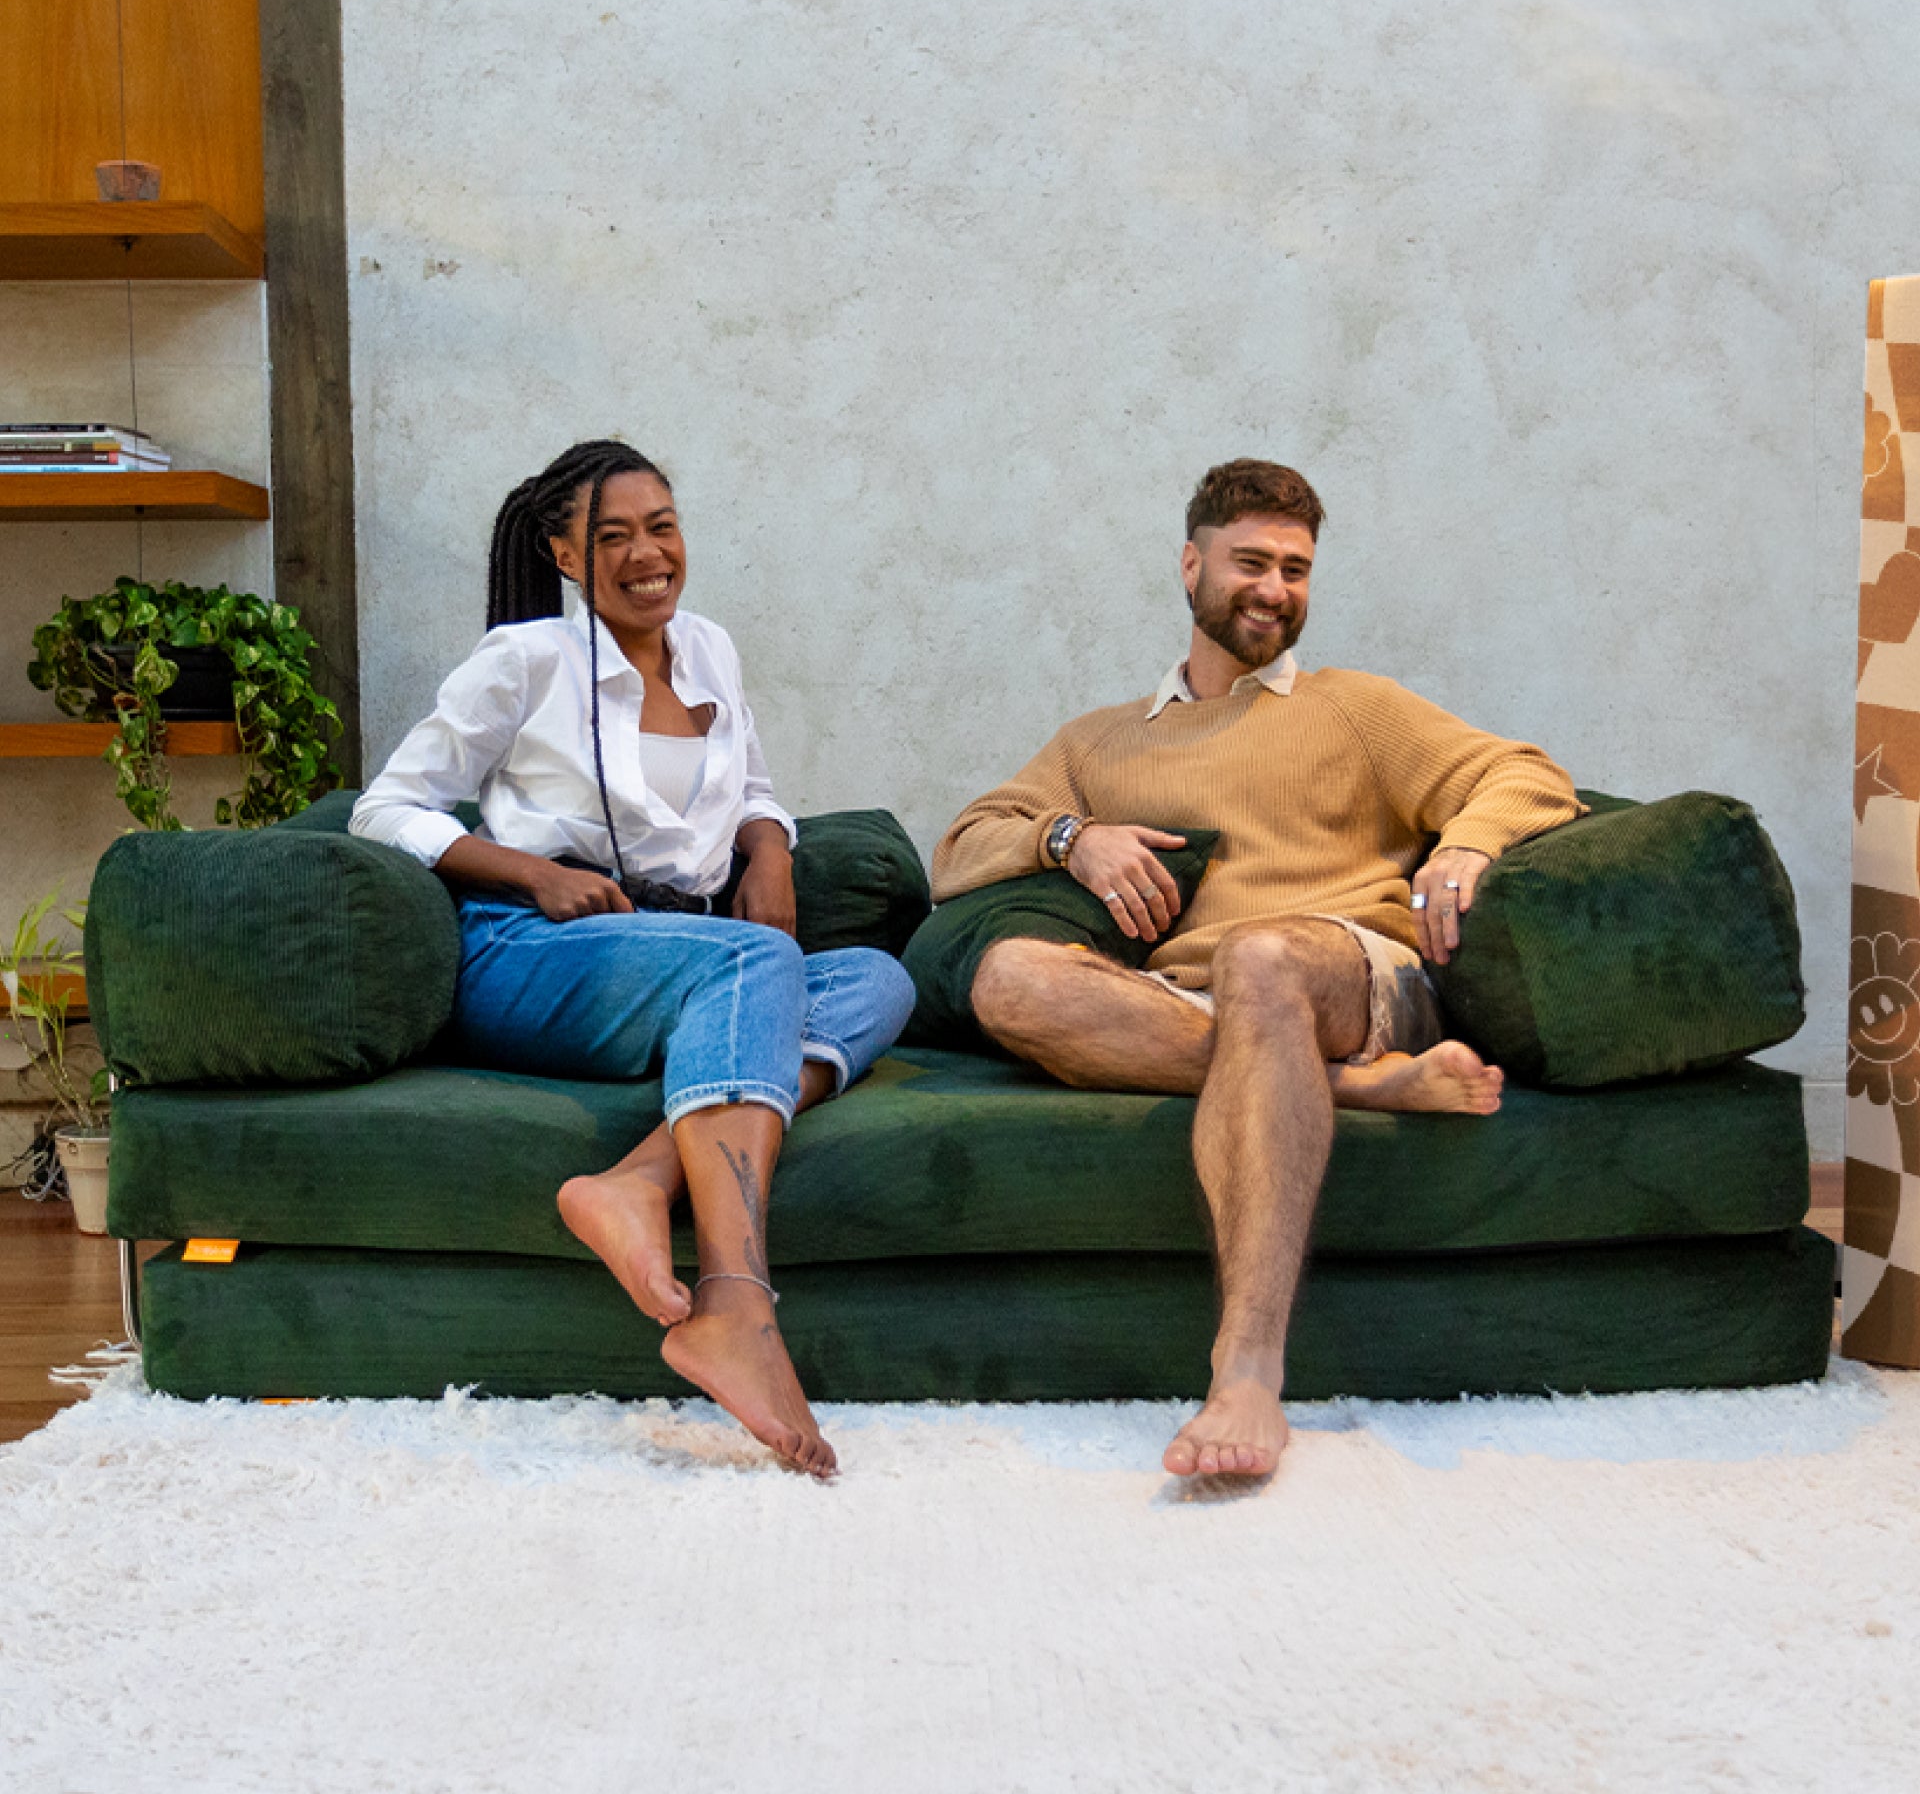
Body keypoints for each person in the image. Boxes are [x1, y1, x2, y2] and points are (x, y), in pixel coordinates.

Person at [932, 458, 1584, 1481]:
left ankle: (1246, 1368)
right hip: (1193, 1000)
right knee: (1011, 975)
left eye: (1296, 568)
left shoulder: (1353, 708)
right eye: (1251, 562)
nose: (1275, 589)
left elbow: (1523, 772)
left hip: (1343, 968)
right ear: (1191, 565)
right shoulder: (1101, 741)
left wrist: (1468, 843)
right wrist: (1071, 837)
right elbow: (964, 845)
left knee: (1261, 956)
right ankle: (1339, 1090)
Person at [352, 440, 914, 1477]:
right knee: (753, 966)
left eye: (662, 525)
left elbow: (752, 783)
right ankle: (737, 1307)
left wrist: (772, 845)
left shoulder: (709, 648)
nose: (646, 553)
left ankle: (637, 1180)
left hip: (690, 951)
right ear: (566, 553)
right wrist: (527, 872)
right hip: (534, 951)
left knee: (880, 979)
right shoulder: (523, 661)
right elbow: (385, 809)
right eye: (613, 536)